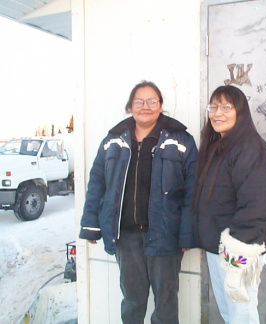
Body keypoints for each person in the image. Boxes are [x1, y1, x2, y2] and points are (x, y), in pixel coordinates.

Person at [79, 80, 198, 324]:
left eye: (152, 100)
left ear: (161, 106)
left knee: (166, 303)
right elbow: (97, 184)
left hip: (166, 236)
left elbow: (192, 191)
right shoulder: (112, 141)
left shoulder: (182, 141)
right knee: (132, 301)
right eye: (139, 101)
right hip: (126, 237)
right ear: (130, 106)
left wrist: (188, 234)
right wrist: (91, 224)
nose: (146, 106)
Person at [193, 85, 266, 323]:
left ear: (240, 112)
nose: (217, 113)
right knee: (229, 313)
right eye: (213, 106)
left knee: (241, 315)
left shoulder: (252, 150)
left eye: (226, 106)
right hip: (218, 247)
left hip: (238, 250)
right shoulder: (219, 147)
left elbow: (259, 206)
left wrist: (237, 259)